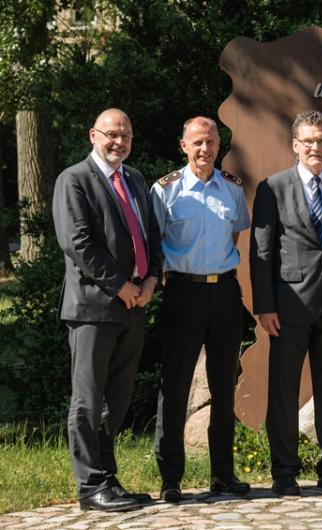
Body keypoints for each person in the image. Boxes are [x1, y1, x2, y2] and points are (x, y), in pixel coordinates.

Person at [52, 108, 163, 511]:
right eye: (112, 134)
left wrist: (151, 280)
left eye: (126, 135)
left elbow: (149, 236)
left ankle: (108, 479)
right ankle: (90, 486)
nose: (119, 142)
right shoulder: (74, 180)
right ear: (93, 135)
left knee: (117, 398)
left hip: (133, 305)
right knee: (87, 399)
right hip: (93, 308)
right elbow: (78, 243)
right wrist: (122, 286)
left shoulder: (134, 179)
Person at [249, 110, 322, 496]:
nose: (315, 147)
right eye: (308, 141)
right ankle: (284, 472)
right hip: (288, 306)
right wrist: (264, 305)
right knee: (283, 392)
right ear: (296, 145)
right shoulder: (273, 187)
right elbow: (261, 250)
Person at [151, 116, 251, 502]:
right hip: (182, 293)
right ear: (183, 145)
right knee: (174, 387)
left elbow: (236, 231)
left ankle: (222, 474)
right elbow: (153, 241)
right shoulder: (166, 191)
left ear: (218, 145)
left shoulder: (231, 189)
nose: (204, 149)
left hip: (225, 294)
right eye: (197, 142)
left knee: (225, 388)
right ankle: (171, 478)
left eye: (210, 142)